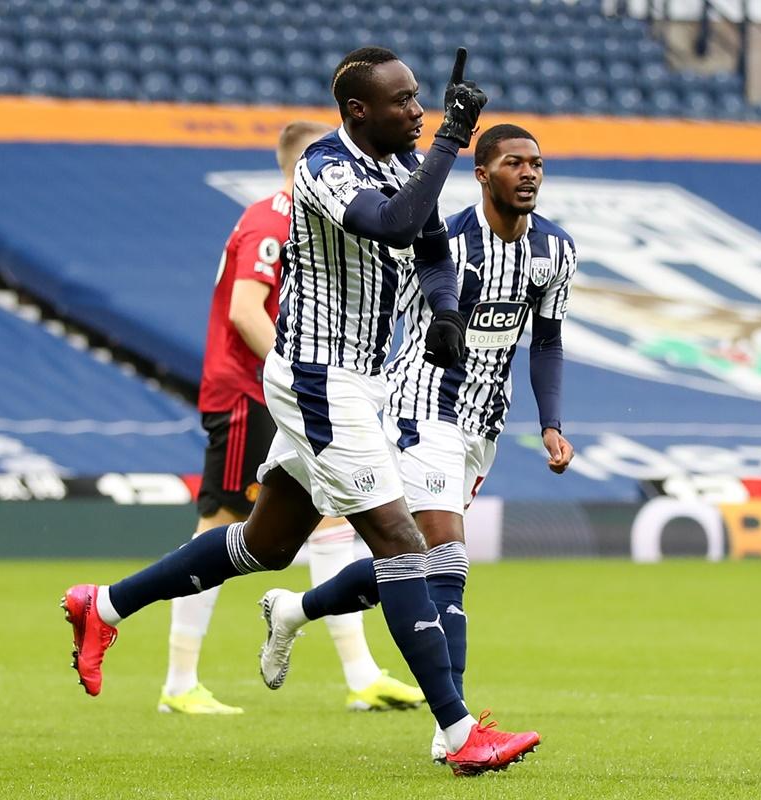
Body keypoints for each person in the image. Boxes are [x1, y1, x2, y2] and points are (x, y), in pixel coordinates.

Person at [62, 47, 541, 776]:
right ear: (358, 111)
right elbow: (389, 224)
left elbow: (433, 245)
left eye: (419, 99)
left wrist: (444, 313)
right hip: (322, 380)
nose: (417, 110)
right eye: (404, 101)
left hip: (358, 380)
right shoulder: (325, 168)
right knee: (400, 542)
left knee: (266, 545)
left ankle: (103, 606)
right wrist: (447, 142)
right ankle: (458, 731)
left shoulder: (400, 164)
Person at [257, 124, 576, 763]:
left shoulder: (556, 251)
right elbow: (397, 302)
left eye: (537, 164)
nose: (530, 173)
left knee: (407, 565)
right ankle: (453, 731)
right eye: (516, 162)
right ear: (483, 173)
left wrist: (551, 422)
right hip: (420, 407)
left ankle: (295, 608)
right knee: (448, 569)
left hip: (482, 422)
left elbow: (546, 341)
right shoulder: (448, 239)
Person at [160, 121, 423, 715]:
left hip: (295, 391)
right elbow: (245, 309)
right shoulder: (273, 216)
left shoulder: (300, 215)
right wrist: (301, 374)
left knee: (331, 522)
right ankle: (178, 682)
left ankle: (361, 674)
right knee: (222, 521)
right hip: (251, 391)